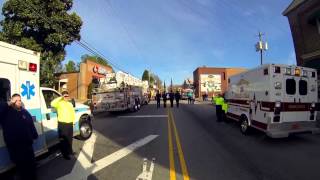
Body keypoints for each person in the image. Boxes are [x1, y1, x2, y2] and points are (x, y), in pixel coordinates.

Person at [0, 94, 38, 180]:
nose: (18, 102)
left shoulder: (24, 111)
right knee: (22, 168)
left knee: (31, 165)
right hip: (15, 146)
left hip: (27, 145)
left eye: (20, 100)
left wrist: (34, 135)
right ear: (12, 101)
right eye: (16, 100)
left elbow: (30, 124)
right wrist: (8, 103)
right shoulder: (6, 113)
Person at [51, 91, 75, 160]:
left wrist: (73, 121)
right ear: (62, 96)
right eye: (65, 96)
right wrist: (61, 97)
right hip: (63, 124)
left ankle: (70, 152)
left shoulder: (70, 104)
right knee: (63, 141)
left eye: (67, 96)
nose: (66, 97)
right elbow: (52, 103)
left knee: (70, 139)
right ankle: (65, 154)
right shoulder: (59, 103)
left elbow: (72, 112)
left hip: (70, 124)